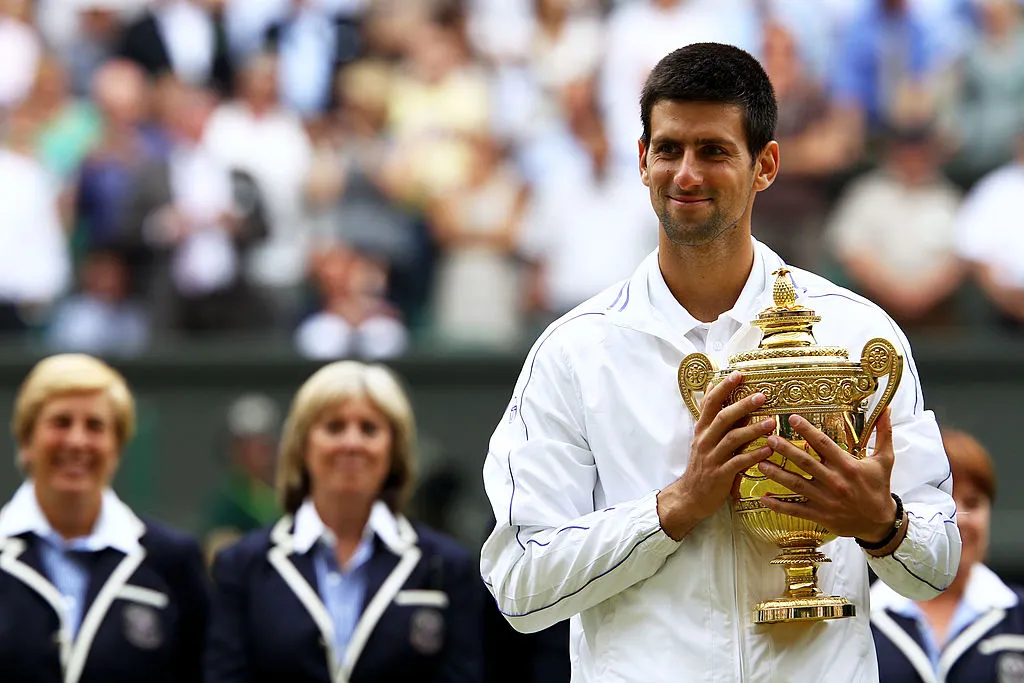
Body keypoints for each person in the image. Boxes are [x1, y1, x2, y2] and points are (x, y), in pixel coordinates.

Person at [480, 42, 961, 682]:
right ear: (642, 160)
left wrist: (882, 525)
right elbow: (519, 587)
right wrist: (676, 505)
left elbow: (938, 566)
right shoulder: (572, 352)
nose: (685, 173)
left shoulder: (857, 332)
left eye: (713, 150)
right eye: (668, 149)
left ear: (766, 166)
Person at [206, 360, 484, 683]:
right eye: (334, 427)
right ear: (301, 445)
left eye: (369, 428)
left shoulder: (446, 566)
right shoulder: (243, 565)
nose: (352, 443)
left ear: (394, 449)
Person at [0, 353, 209, 683]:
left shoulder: (171, 560)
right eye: (61, 422)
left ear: (117, 447)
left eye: (95, 426)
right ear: (26, 440)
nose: (77, 441)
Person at [872, 428, 1024, 683]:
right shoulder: (860, 616)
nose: (958, 520)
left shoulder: (1019, 616)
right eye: (943, 504)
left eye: (973, 503)